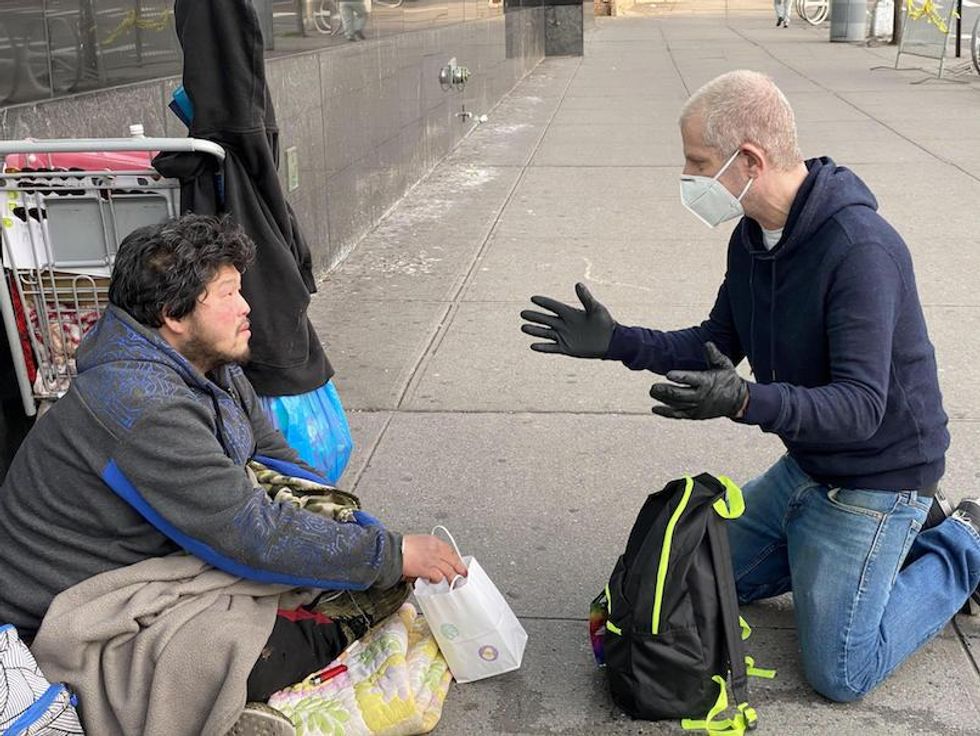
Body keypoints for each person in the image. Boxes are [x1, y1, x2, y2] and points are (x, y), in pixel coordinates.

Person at [520, 70, 980, 703]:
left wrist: (741, 399)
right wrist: (617, 341)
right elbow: (715, 341)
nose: (687, 177)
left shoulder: (859, 249)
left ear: (750, 160)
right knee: (684, 585)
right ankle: (857, 549)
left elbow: (861, 408)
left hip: (880, 473)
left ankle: (959, 541)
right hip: (810, 464)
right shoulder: (753, 237)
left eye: (697, 161)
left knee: (840, 672)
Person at [0, 214, 465, 735]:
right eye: (227, 294)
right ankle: (237, 712)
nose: (246, 307)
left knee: (359, 584)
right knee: (305, 624)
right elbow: (248, 534)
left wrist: (356, 525)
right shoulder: (142, 404)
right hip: (64, 609)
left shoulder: (206, 364)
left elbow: (275, 459)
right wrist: (390, 554)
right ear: (173, 314)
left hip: (160, 560)